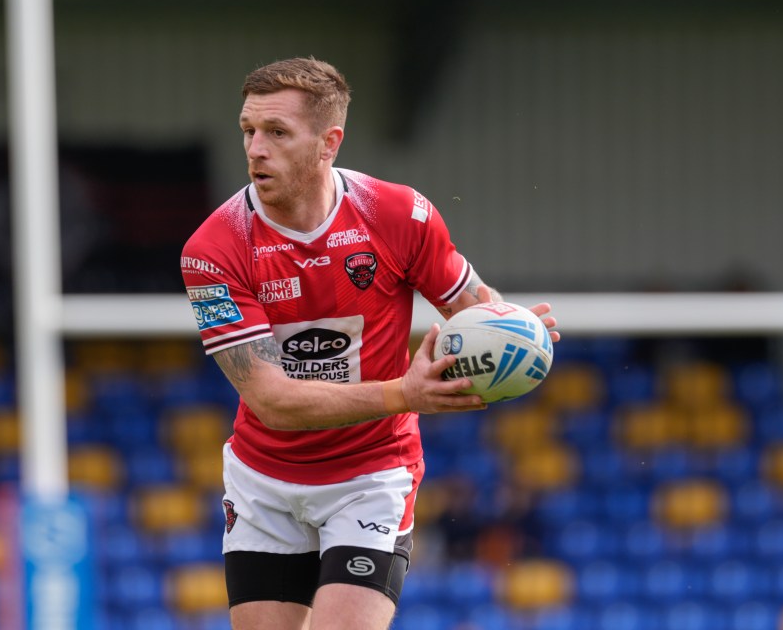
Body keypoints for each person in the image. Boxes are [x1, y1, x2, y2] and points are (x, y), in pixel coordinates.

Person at [180, 57, 559, 630]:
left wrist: (512, 330)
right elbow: (271, 401)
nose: (256, 148)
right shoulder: (212, 249)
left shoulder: (399, 214)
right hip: (265, 481)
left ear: (329, 142)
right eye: (248, 131)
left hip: (371, 474)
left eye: (277, 132)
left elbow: (471, 308)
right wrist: (404, 394)